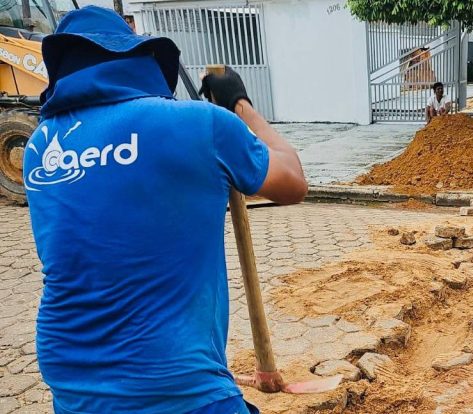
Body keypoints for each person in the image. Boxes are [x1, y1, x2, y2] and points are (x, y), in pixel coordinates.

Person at [23, 6, 306, 413]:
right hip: (176, 380)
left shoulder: (37, 147)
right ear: (139, 58)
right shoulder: (200, 124)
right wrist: (239, 103)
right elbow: (292, 182)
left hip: (70, 377)